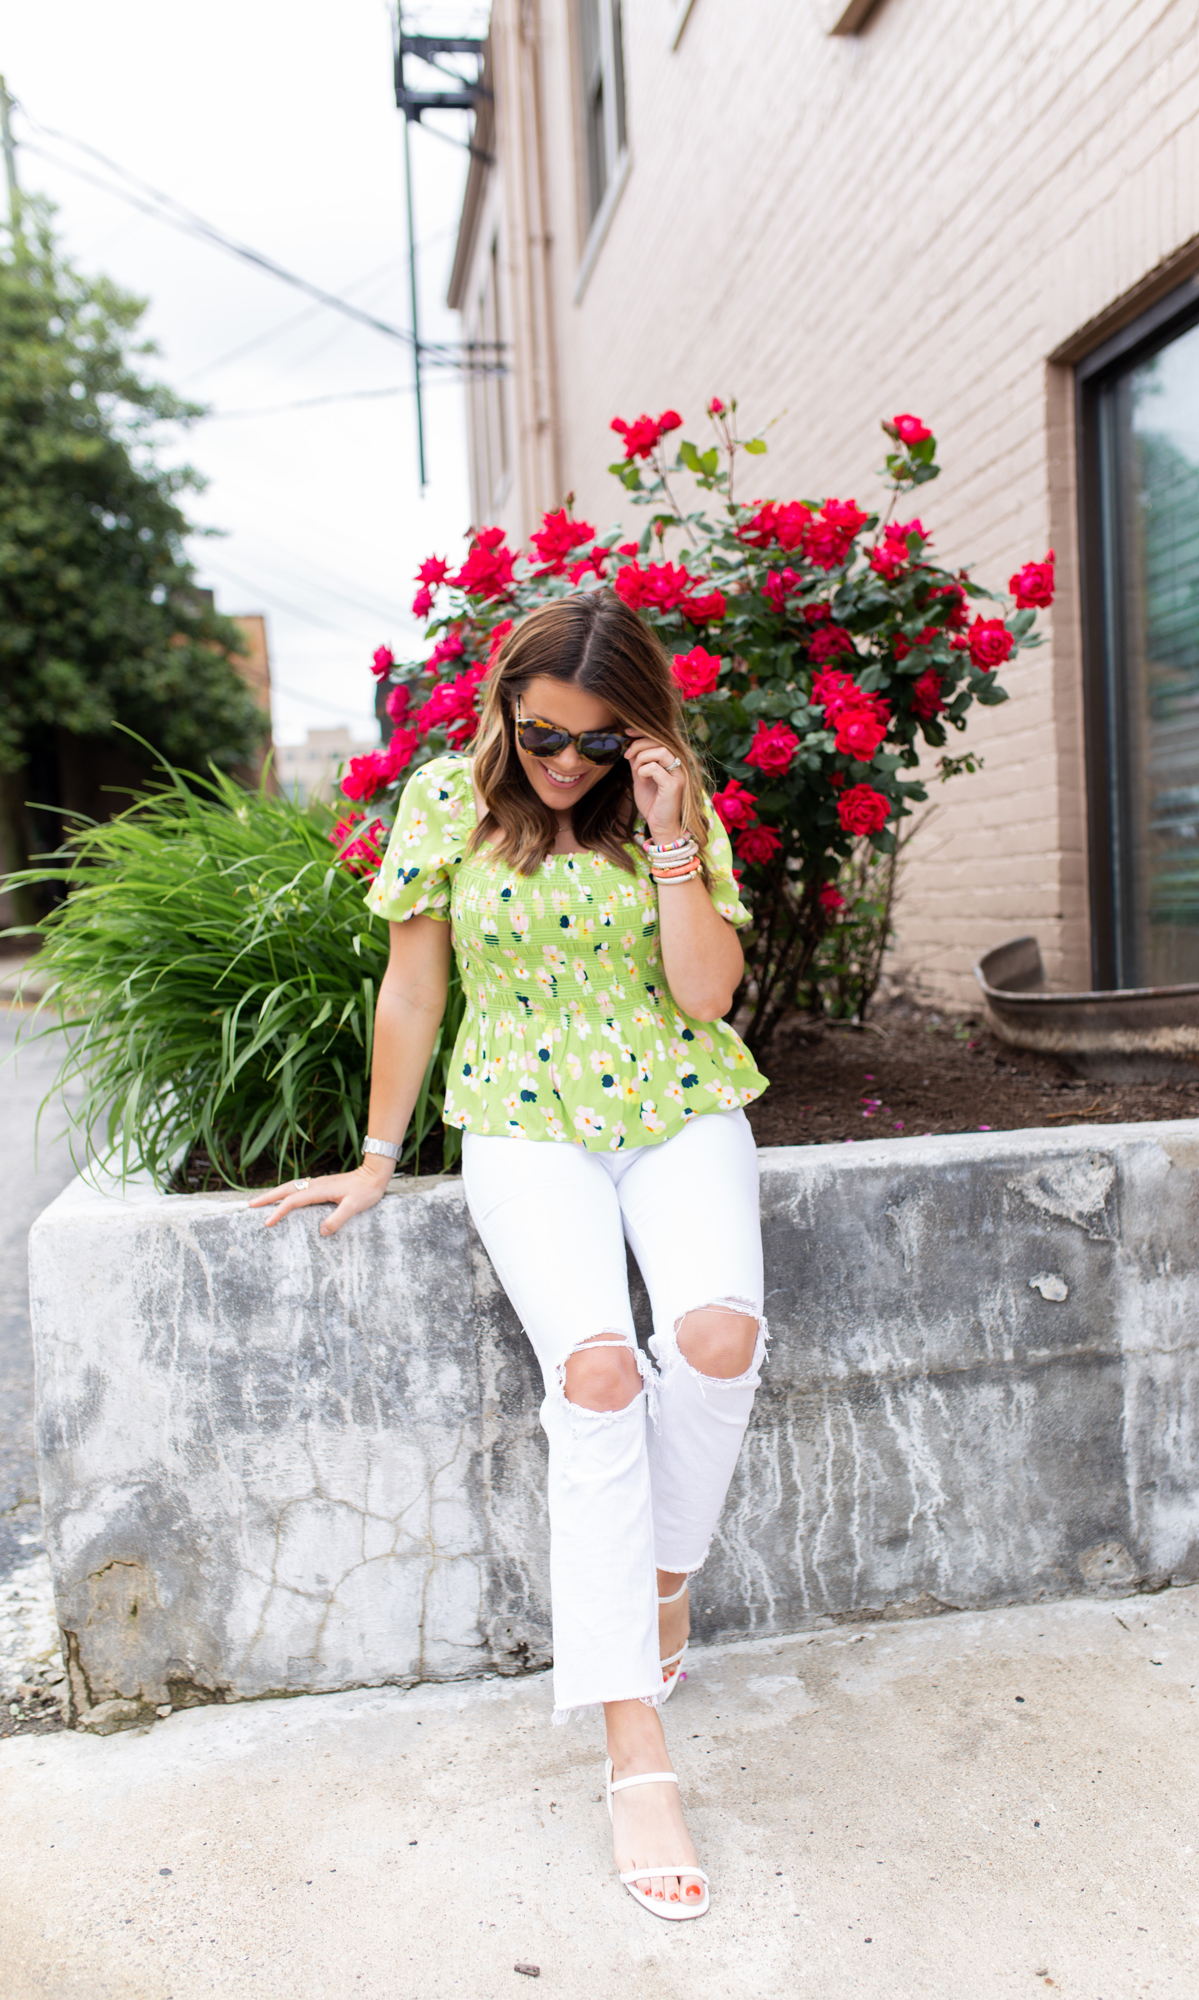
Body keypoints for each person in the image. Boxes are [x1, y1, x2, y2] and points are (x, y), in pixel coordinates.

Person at [251, 590, 768, 1922]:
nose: (562, 763)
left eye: (596, 743)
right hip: (523, 1115)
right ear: (504, 706)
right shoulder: (446, 801)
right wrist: (376, 1154)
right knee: (597, 1375)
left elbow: (707, 994)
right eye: (542, 733)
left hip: (676, 1098)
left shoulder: (668, 800)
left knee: (716, 1338)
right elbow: (414, 987)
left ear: (635, 734)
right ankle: (633, 1747)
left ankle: (658, 1586)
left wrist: (661, 836)